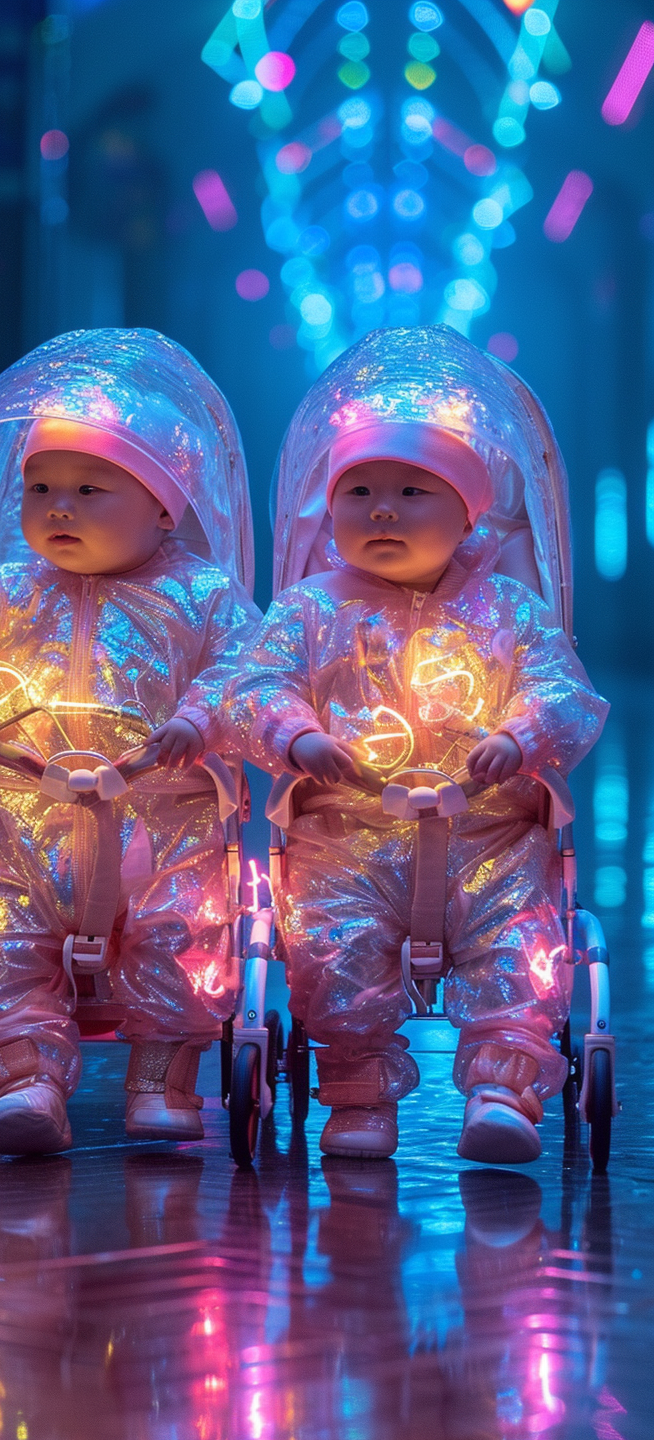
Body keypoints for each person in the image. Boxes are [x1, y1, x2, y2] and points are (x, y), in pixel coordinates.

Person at [226, 325, 607, 1164]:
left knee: (518, 946)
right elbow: (251, 688)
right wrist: (299, 734)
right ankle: (358, 1093)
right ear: (330, 510)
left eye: (412, 491)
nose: (383, 509)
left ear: (469, 510)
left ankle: (503, 1086)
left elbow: (565, 690)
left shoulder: (509, 610)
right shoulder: (308, 611)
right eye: (358, 493)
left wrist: (524, 732)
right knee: (334, 954)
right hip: (348, 836)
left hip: (491, 836)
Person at [0, 329, 258, 1157]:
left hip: (164, 821)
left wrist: (201, 718)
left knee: (180, 932)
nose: (60, 507)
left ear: (164, 505)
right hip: (25, 821)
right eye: (41, 487)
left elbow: (250, 670)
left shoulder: (200, 595)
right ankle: (24, 1076)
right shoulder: (5, 597)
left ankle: (161, 1072)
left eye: (92, 489)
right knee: (0, 939)